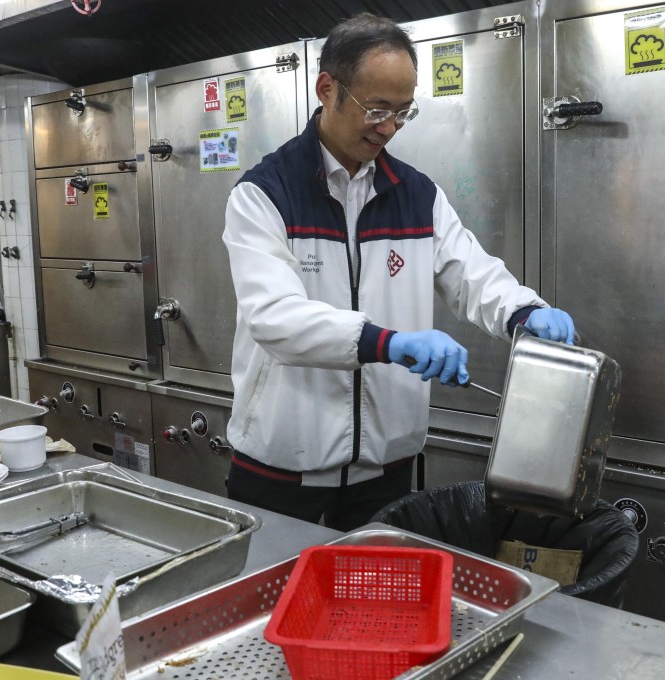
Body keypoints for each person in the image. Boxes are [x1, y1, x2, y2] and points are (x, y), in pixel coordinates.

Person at [222, 12, 575, 531]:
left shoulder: (416, 194)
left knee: (372, 610)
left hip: (383, 471)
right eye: (376, 109)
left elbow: (472, 273)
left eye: (403, 113)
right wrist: (388, 343)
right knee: (273, 606)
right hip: (280, 468)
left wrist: (523, 311)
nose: (388, 128)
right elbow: (274, 318)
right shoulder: (264, 194)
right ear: (328, 89)